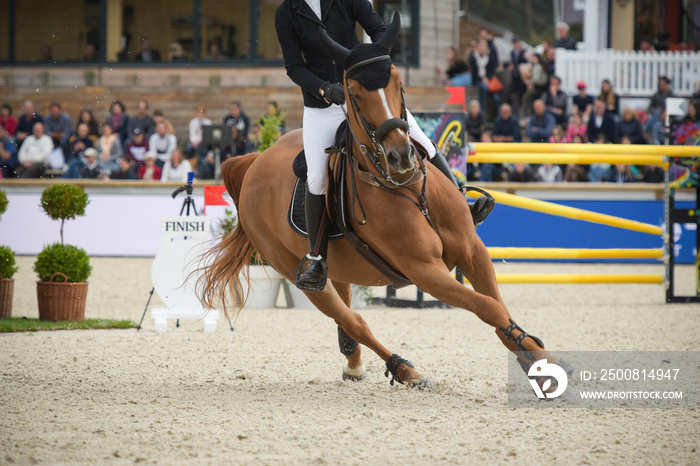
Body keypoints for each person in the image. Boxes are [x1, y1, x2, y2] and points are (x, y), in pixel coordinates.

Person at [275, 2, 493, 291]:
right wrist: (324, 89)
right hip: (323, 104)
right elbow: (294, 67)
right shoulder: (286, 12)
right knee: (316, 177)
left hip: (367, 90)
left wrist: (369, 66)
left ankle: (461, 205)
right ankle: (316, 258)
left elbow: (379, 29)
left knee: (424, 143)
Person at [469, 39, 501, 115]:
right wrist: (482, 79)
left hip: (489, 82)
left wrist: (487, 78)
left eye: (483, 48)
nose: (482, 50)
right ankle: (482, 112)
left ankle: (498, 116)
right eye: (480, 48)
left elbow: (492, 71)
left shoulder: (489, 58)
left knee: (496, 98)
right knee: (484, 87)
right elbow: (473, 73)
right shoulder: (474, 58)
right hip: (478, 81)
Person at [507, 35, 530, 118]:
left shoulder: (524, 51)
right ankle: (513, 112)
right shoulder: (513, 52)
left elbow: (528, 63)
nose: (515, 44)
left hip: (522, 77)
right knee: (510, 94)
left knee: (521, 96)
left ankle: (521, 114)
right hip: (515, 76)